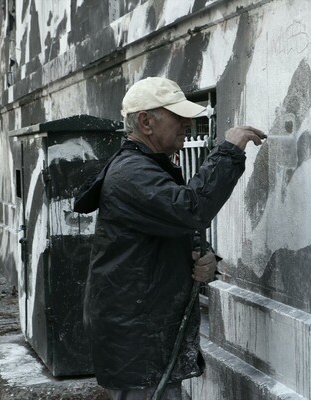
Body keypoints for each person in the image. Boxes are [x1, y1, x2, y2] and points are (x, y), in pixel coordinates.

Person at [74, 77, 265, 400]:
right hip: (136, 337)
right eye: (177, 117)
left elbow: (169, 226)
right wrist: (228, 152)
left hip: (141, 331)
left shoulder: (143, 167)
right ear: (146, 122)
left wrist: (203, 256)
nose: (187, 124)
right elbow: (190, 209)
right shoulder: (132, 173)